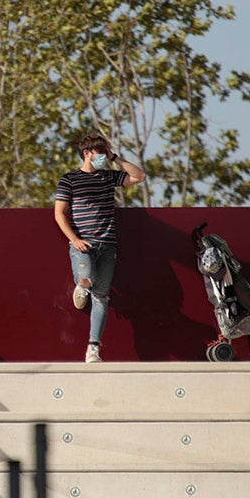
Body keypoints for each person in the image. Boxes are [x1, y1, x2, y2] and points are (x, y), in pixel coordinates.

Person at [54, 134, 146, 362]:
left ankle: (93, 348)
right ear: (87, 154)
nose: (105, 157)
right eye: (101, 153)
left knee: (102, 297)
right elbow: (59, 214)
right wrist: (74, 239)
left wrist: (115, 157)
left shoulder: (107, 177)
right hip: (83, 244)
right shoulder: (69, 179)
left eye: (107, 153)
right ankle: (82, 285)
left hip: (108, 245)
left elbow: (139, 176)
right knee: (86, 278)